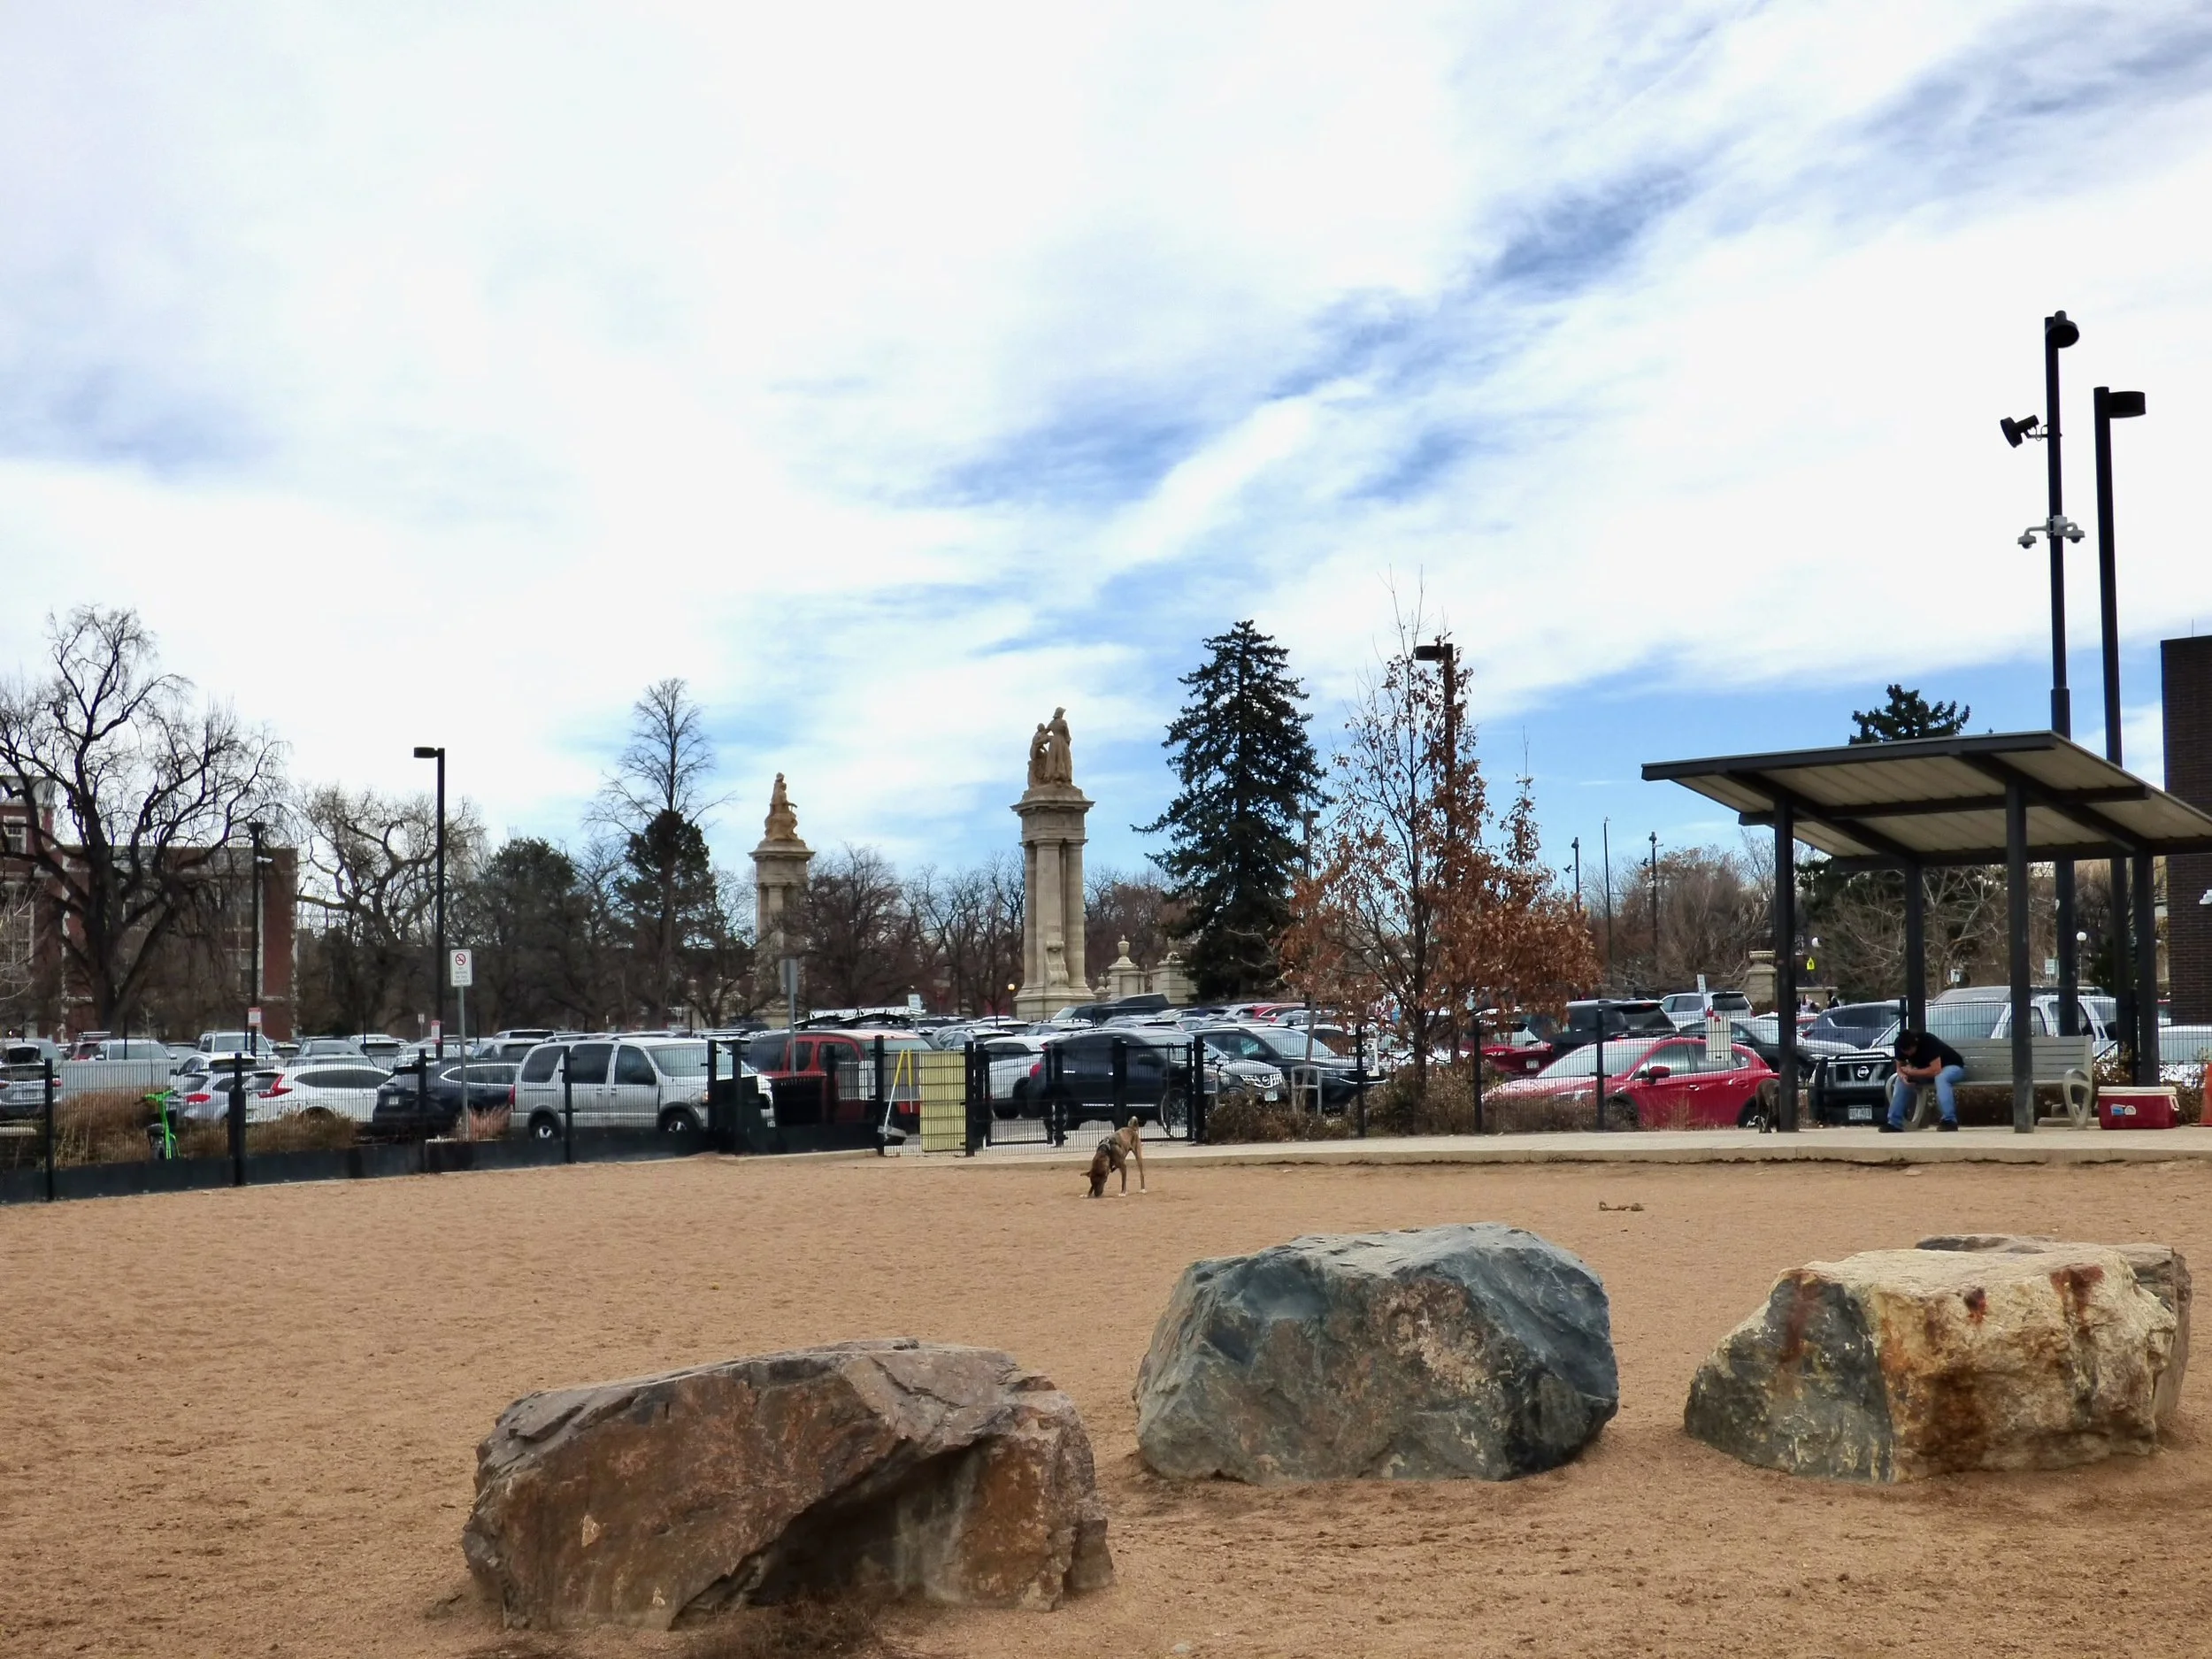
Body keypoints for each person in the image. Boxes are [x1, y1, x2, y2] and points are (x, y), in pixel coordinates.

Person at [1882, 1027, 1966, 1133]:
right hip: (1926, 1070)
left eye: (1909, 1051)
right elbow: (1900, 1067)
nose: (1907, 1054)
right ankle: (1894, 1123)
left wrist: (1911, 1072)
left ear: (1915, 1044)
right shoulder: (1899, 1044)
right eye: (1905, 1051)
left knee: (1941, 1078)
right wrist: (1903, 1075)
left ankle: (1949, 1121)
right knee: (1900, 1081)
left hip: (1952, 1067)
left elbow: (1936, 1070)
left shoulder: (1928, 1041)